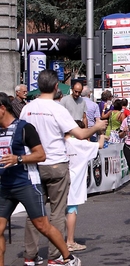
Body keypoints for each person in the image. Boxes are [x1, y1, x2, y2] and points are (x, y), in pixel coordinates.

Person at [20, 69, 107, 265]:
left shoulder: (27, 108)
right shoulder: (58, 108)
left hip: (33, 164)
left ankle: (29, 255)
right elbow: (80, 134)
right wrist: (96, 127)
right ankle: (55, 255)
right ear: (56, 87)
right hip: (56, 163)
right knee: (57, 212)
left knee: (34, 212)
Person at [0, 92, 81, 266]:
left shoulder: (23, 128)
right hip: (5, 186)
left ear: (2, 108)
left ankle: (68, 257)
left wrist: (18, 159)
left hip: (26, 183)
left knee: (42, 225)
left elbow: (41, 155)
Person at [65, 120, 104, 252]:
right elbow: (100, 145)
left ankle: (58, 241)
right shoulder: (79, 143)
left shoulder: (56, 143)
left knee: (57, 211)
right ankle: (69, 241)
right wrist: (101, 132)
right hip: (74, 181)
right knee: (71, 210)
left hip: (57, 179)